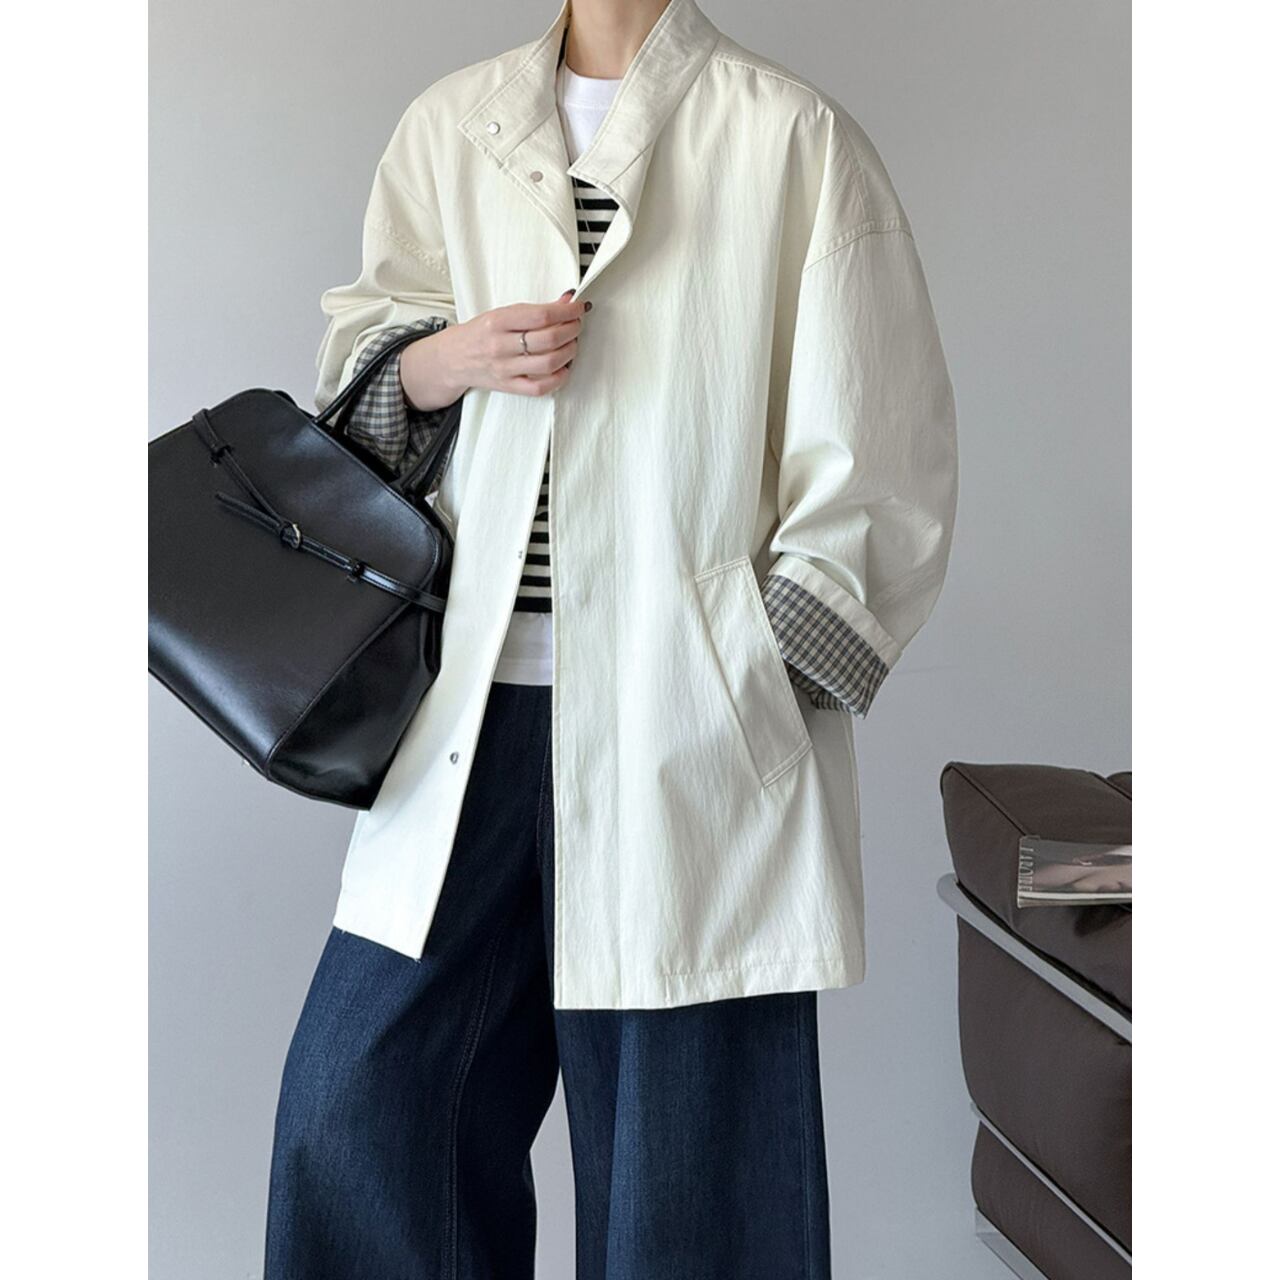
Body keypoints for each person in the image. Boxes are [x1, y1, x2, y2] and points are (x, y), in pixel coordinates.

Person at [266, 1, 958, 1275]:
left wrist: (741, 683)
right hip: (465, 718)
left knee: (686, 1193)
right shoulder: (451, 124)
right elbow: (354, 399)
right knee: (356, 1118)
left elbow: (880, 458)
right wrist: (442, 360)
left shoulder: (792, 136)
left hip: (681, 725)